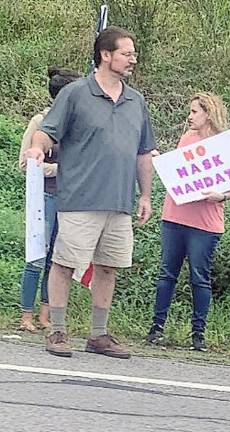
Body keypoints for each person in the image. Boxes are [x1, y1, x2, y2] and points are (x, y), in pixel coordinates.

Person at [23, 26, 155, 359]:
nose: (132, 60)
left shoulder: (135, 101)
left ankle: (98, 335)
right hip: (80, 198)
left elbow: (143, 152)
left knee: (108, 267)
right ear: (105, 55)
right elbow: (47, 133)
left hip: (119, 201)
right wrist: (38, 150)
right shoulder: (76, 94)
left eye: (133, 53)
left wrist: (145, 195)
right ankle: (56, 330)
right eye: (126, 53)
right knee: (65, 264)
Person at [145, 92, 230, 352]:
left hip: (205, 222)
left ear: (208, 113)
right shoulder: (187, 139)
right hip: (175, 215)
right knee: (167, 273)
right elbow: (178, 173)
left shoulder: (223, 144)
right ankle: (156, 327)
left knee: (200, 276)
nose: (189, 116)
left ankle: (198, 334)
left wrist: (222, 195)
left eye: (194, 111)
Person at [17, 67, 81, 332]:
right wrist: (59, 169)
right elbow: (25, 162)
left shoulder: (78, 124)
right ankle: (26, 315)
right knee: (36, 258)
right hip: (44, 197)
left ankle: (46, 314)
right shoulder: (40, 122)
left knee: (58, 258)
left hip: (70, 199)